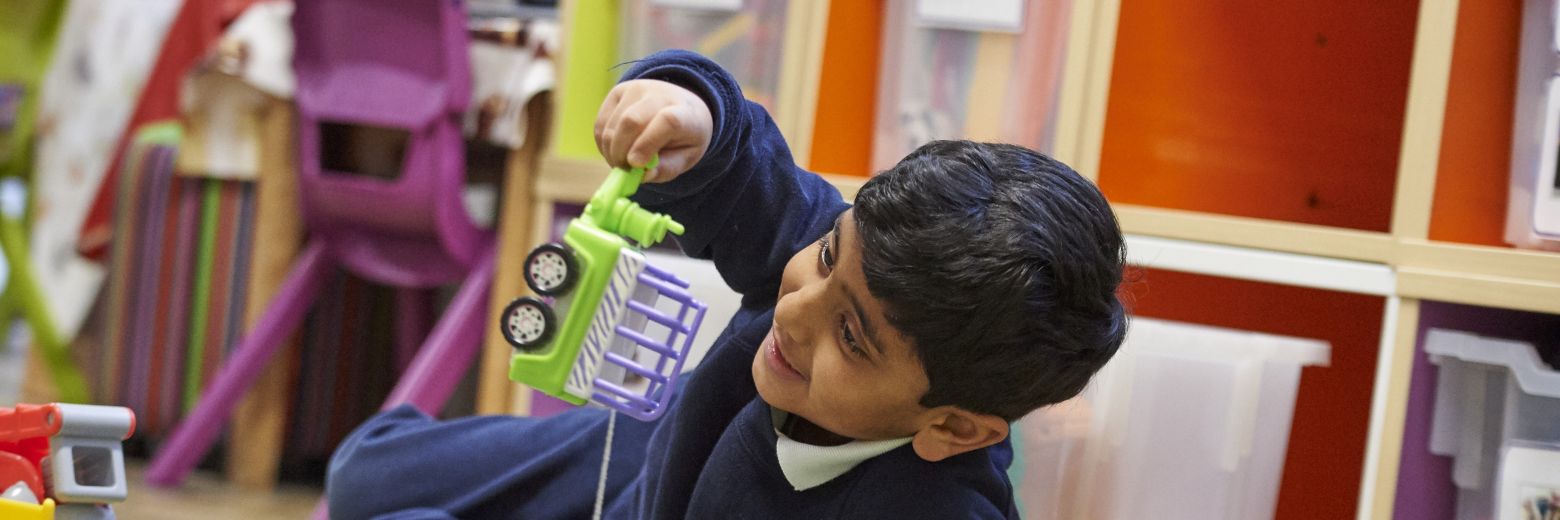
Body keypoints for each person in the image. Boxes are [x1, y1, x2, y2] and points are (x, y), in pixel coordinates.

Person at [326, 49, 1127, 519]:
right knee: (362, 476)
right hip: (649, 453)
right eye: (824, 257)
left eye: (852, 337)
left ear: (954, 428)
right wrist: (687, 119)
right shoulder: (852, 267)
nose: (798, 312)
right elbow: (747, 170)